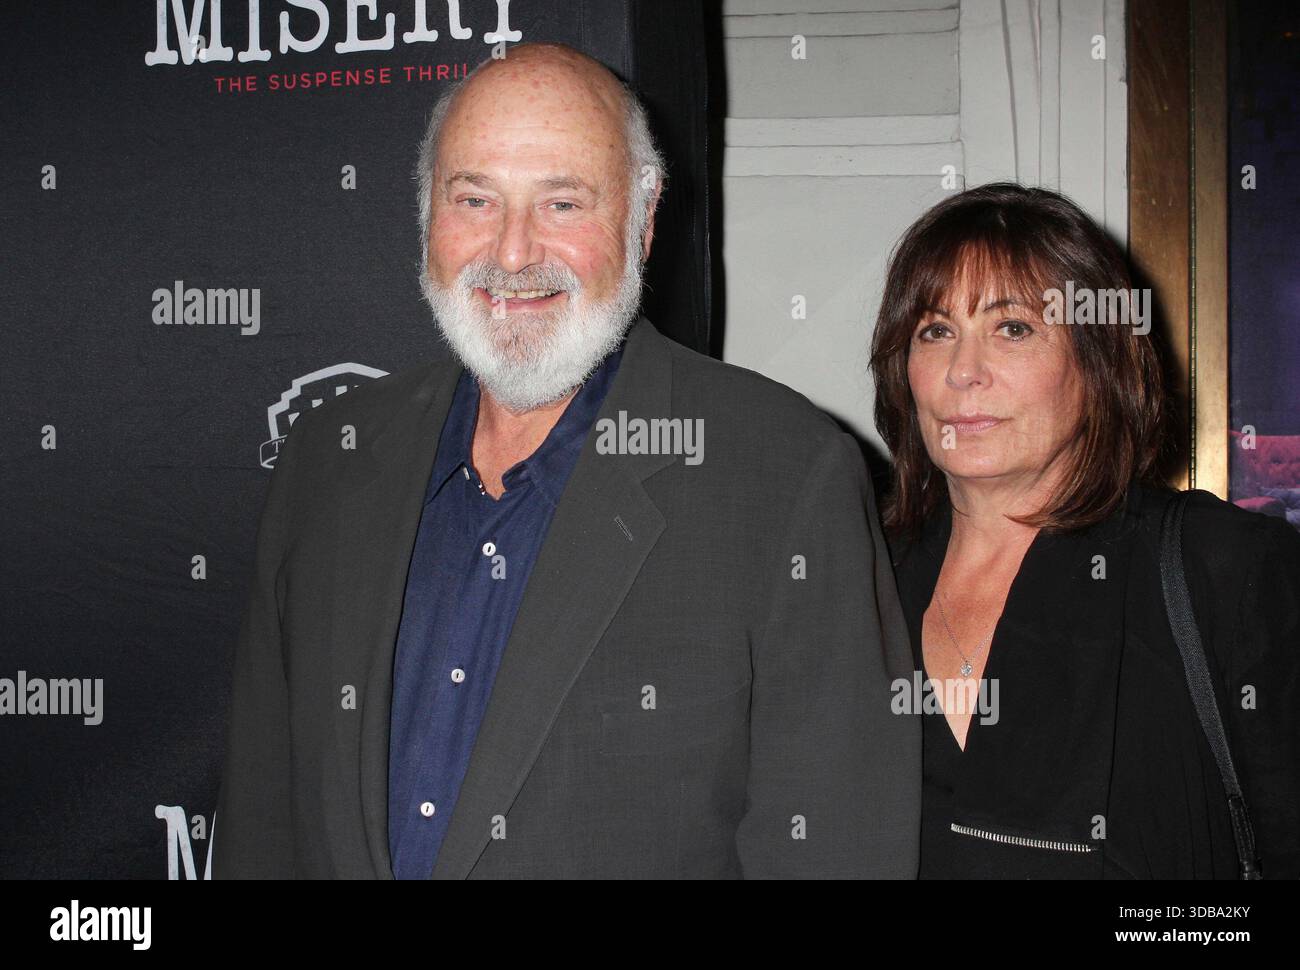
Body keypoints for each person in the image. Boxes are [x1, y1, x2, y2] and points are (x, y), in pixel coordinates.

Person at [213, 42, 919, 879]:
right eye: (474, 198)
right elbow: (263, 819)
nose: (512, 253)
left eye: (562, 203)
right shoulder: (330, 458)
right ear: (426, 218)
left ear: (644, 223)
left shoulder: (785, 474)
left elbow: (835, 852)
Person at [870, 182, 1300, 878]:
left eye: (1012, 329)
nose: (962, 371)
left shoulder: (1225, 571)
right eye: (936, 330)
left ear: (1099, 361)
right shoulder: (855, 576)